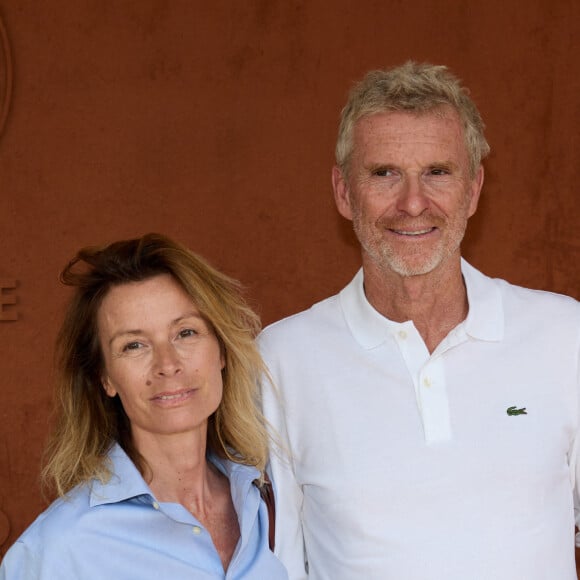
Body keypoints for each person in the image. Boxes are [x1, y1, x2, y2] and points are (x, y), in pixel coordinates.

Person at [260, 61, 580, 579]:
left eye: (438, 172)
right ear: (344, 192)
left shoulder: (565, 336)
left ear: (473, 190)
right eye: (384, 173)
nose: (413, 203)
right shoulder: (281, 359)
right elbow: (280, 565)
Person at [0, 233, 288, 579]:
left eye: (186, 333)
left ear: (222, 350)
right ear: (105, 377)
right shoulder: (61, 547)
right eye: (134, 345)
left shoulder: (267, 498)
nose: (167, 364)